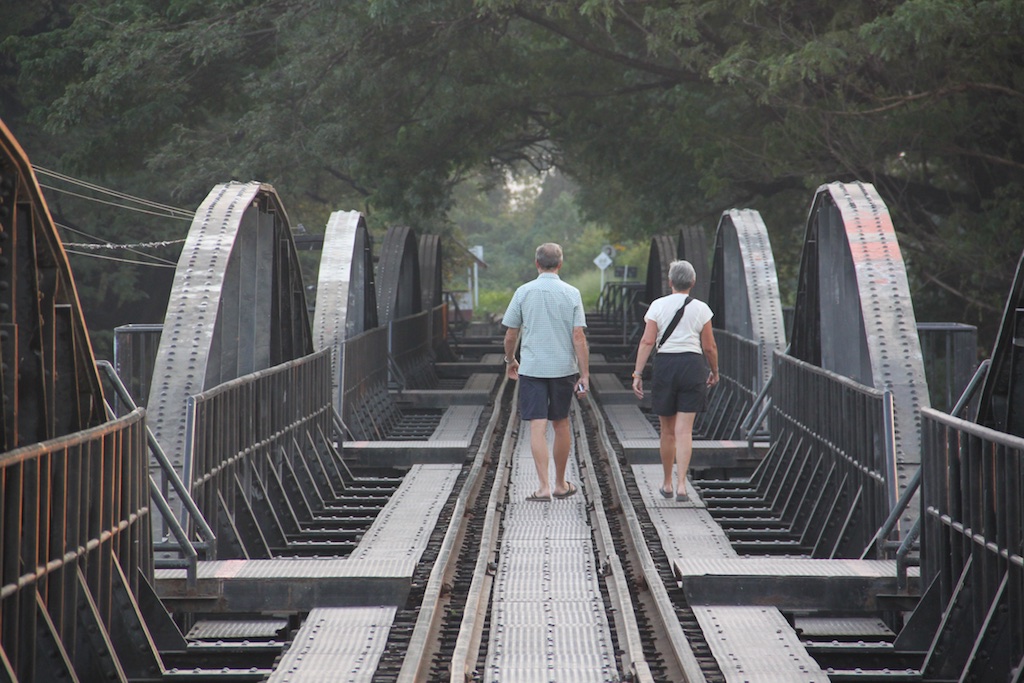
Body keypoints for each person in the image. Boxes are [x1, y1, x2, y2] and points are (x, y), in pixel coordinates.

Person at [502, 243, 590, 502]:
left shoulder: (523, 292)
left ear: (537, 263)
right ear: (560, 264)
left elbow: (511, 333)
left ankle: (543, 488)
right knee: (561, 424)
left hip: (532, 369)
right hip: (564, 369)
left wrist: (510, 359)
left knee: (537, 427)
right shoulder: (572, 293)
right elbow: (578, 335)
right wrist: (584, 374)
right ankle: (561, 484)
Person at [631, 259, 719, 502]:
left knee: (667, 431)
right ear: (692, 282)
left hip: (666, 365)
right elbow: (709, 346)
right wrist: (715, 371)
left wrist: (638, 373)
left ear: (670, 282)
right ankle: (682, 486)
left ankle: (667, 483)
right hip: (693, 366)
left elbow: (647, 341)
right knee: (684, 431)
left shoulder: (657, 306)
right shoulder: (702, 308)